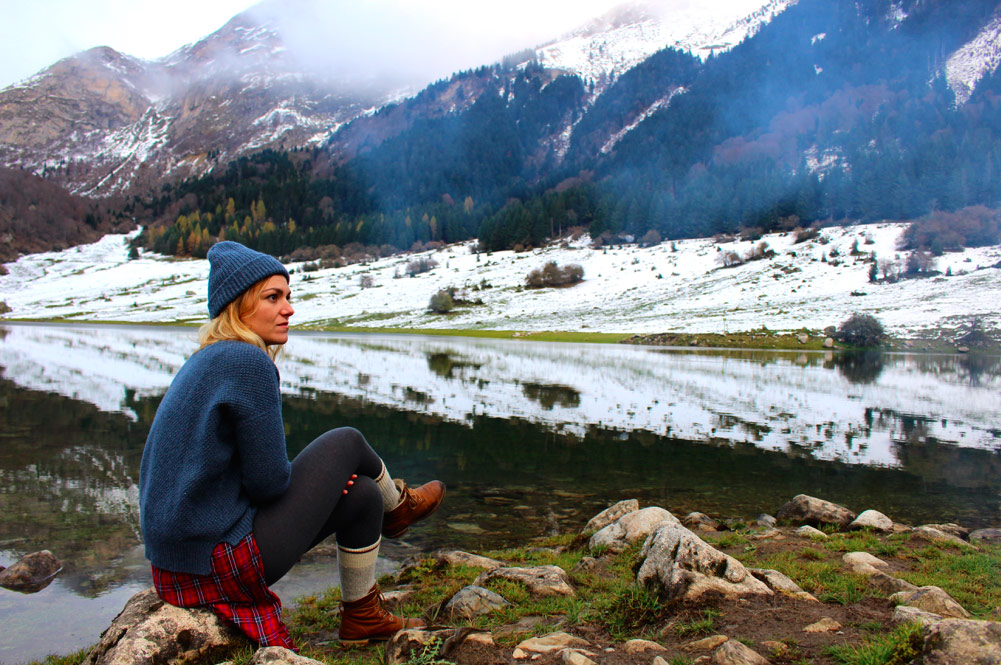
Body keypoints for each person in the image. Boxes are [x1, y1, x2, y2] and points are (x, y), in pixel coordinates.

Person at [139, 240, 445, 649]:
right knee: (347, 442)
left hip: (177, 565)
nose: (288, 308)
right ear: (239, 305)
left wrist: (324, 489)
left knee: (361, 495)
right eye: (273, 297)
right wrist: (318, 483)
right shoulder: (248, 362)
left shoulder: (208, 358)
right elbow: (268, 484)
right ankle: (399, 508)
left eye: (288, 296)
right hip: (217, 562)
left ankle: (362, 615)